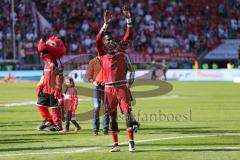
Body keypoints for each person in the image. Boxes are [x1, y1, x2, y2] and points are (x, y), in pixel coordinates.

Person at [95, 6, 136, 152]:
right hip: (108, 89)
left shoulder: (120, 51)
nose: (110, 41)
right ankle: (116, 145)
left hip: (121, 87)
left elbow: (129, 35)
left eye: (112, 39)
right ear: (105, 45)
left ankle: (131, 142)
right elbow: (98, 39)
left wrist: (128, 19)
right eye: (108, 40)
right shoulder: (102, 55)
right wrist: (105, 24)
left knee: (127, 114)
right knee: (112, 118)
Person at [36, 36, 66, 131]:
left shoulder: (56, 61)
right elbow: (44, 75)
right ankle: (49, 120)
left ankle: (58, 125)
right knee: (40, 105)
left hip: (54, 89)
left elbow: (60, 76)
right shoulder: (46, 62)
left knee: (54, 108)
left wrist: (58, 88)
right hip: (46, 89)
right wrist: (40, 86)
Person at [86, 55, 109, 136]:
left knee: (106, 107)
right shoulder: (93, 61)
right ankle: (95, 129)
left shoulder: (108, 60)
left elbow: (111, 73)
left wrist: (106, 80)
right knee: (97, 107)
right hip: (96, 86)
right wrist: (93, 81)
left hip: (106, 86)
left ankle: (105, 129)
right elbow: (88, 75)